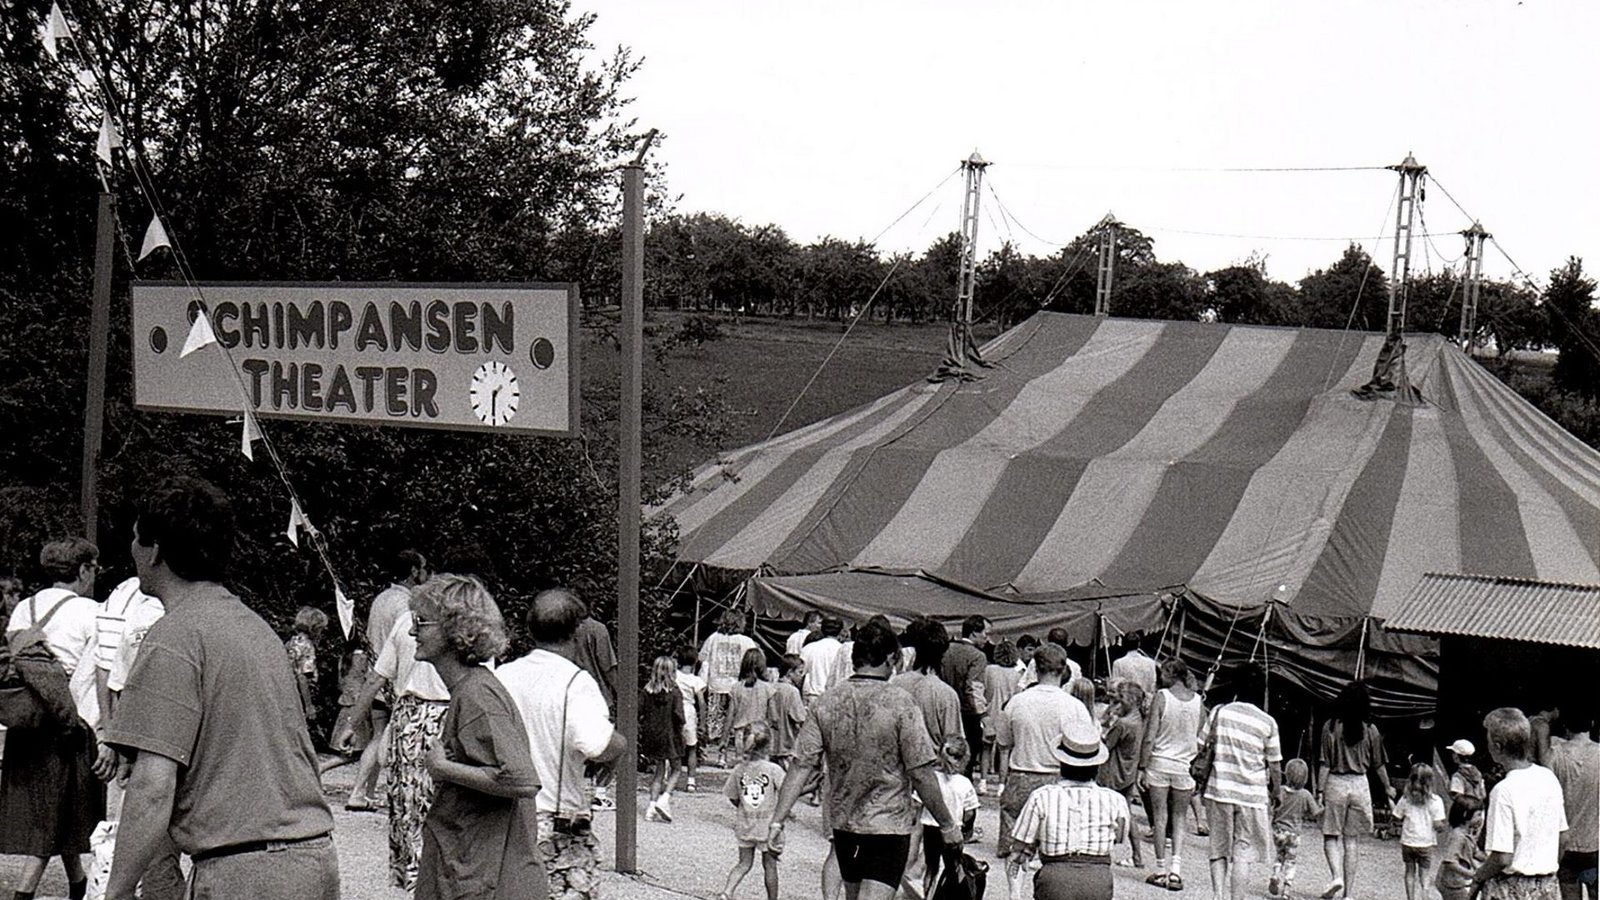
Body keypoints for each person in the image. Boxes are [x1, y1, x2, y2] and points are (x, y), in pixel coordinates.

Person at [106, 476, 337, 900]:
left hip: (245, 871)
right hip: (312, 858)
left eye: (136, 538)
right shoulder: (255, 628)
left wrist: (116, 892)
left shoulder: (174, 635)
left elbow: (152, 789)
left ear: (153, 549)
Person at [767, 620, 963, 900]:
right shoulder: (901, 704)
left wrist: (777, 822)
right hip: (888, 826)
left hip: (845, 825)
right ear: (891, 658)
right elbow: (920, 772)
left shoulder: (826, 702)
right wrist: (947, 824)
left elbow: (801, 765)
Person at [408, 574, 545, 900]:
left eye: (421, 622)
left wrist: (443, 769)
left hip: (489, 880)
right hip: (472, 872)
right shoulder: (470, 690)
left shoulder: (477, 696)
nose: (413, 631)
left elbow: (521, 781)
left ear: (455, 629)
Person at [496, 588, 627, 900]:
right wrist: (618, 748)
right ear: (578, 630)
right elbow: (598, 744)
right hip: (557, 822)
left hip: (505, 817)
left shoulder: (503, 676)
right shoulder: (576, 683)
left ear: (529, 629)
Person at [1, 538, 108, 900]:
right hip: (66, 725)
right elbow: (92, 677)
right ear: (82, 570)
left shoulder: (24, 610)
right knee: (53, 813)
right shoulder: (91, 612)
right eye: (93, 568)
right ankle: (23, 893)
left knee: (57, 808)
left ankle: (77, 881)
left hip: (25, 722)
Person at [333, 597, 452, 887]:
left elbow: (376, 678)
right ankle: (439, 878)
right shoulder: (463, 623)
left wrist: (352, 723)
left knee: (406, 806)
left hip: (407, 717)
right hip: (446, 715)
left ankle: (412, 879)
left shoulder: (406, 620)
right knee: (444, 806)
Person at [995, 643, 1096, 866]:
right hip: (1059, 778)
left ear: (1036, 668)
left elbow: (1004, 743)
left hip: (1021, 775)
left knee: (1013, 847)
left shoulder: (1016, 702)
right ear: (1063, 670)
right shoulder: (1075, 707)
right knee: (1055, 845)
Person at [1008, 719, 1131, 900]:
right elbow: (1119, 840)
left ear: (1061, 761)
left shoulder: (1042, 796)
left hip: (1054, 878)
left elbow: (1017, 853)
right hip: (1098, 880)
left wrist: (1015, 894)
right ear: (1097, 764)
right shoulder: (1115, 800)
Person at [348, 549, 430, 810]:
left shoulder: (381, 598)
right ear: (414, 572)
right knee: (384, 738)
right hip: (394, 679)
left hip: (378, 675)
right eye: (423, 568)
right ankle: (362, 792)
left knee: (378, 735)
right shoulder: (405, 604)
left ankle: (364, 792)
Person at [1198, 665, 1283, 900]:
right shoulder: (1267, 722)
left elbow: (1200, 745)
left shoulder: (1219, 713)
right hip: (1252, 796)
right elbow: (1274, 764)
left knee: (1218, 848)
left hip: (1219, 790)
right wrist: (1277, 792)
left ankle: (1217, 895)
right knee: (1242, 852)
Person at [1470, 707, 1568, 900]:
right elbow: (1563, 837)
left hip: (1510, 886)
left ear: (1497, 747)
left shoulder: (1503, 790)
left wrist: (1478, 878)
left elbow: (1502, 856)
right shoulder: (1549, 778)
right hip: (1547, 885)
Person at [1317, 681, 1395, 900]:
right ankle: (1348, 895)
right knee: (1351, 841)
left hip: (1335, 783)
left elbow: (1324, 763)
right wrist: (1388, 788)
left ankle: (1335, 876)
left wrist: (1319, 791)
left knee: (1331, 835)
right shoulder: (1371, 729)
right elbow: (1379, 765)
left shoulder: (1330, 726)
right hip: (1360, 784)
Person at [1139, 657, 1205, 892]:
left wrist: (1142, 766)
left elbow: (1150, 735)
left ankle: (1159, 869)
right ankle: (1176, 870)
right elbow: (1200, 737)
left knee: (1159, 817)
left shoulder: (1162, 697)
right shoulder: (1198, 702)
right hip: (1183, 766)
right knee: (1179, 818)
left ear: (1169, 673)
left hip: (1159, 762)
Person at [718, 722, 787, 900]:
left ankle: (727, 892)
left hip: (745, 824)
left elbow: (733, 796)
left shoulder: (739, 770)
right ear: (769, 745)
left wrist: (743, 807)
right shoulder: (774, 770)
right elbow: (786, 793)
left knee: (743, 863)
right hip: (767, 826)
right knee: (770, 866)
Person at [1545, 710, 1598, 900]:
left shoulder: (1554, 755)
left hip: (1564, 847)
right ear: (1592, 723)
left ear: (1566, 726)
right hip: (1595, 847)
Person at [920, 736, 980, 897]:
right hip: (953, 830)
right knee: (954, 867)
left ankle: (928, 894)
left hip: (930, 827)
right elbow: (970, 812)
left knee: (931, 867)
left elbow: (918, 804)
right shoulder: (964, 783)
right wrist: (967, 827)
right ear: (965, 758)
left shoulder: (930, 779)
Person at [890, 617, 963, 750]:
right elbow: (954, 744)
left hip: (898, 762)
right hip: (932, 763)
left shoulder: (895, 683)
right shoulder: (946, 694)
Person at [1098, 682, 1147, 870]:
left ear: (1132, 700)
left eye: (1122, 699)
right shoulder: (1140, 720)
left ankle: (1102, 851)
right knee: (1128, 813)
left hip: (1113, 771)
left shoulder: (1122, 724)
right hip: (1129, 770)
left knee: (1105, 812)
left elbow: (1106, 746)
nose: (1118, 702)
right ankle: (1137, 855)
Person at [700, 611, 759, 755]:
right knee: (736, 724)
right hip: (738, 687)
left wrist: (702, 682)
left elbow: (704, 661)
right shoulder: (747, 641)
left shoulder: (713, 638)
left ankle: (719, 754)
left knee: (716, 723)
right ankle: (735, 753)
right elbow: (754, 662)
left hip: (716, 684)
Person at [940, 615, 991, 779]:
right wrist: (983, 716)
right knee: (966, 761)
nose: (987, 639)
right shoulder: (978, 656)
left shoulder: (946, 650)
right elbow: (974, 688)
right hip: (968, 713)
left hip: (945, 709)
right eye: (986, 633)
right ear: (975, 633)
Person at [639, 655, 685, 823]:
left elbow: (639, 711)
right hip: (670, 734)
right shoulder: (675, 691)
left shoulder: (647, 690)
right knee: (676, 768)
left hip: (652, 735)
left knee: (659, 771)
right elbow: (679, 715)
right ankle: (665, 798)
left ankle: (651, 807)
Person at [1269, 758, 1323, 898]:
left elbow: (1272, 805)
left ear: (1286, 774)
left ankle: (1275, 874)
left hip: (1278, 831)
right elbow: (1315, 813)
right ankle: (1286, 889)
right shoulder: (1305, 794)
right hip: (1294, 834)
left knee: (1279, 856)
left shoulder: (1280, 790)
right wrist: (1324, 807)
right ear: (1305, 778)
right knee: (1291, 861)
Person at [1393, 762, 1447, 900]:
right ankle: (1425, 896)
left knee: (1409, 872)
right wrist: (1443, 827)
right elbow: (1438, 824)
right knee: (1425, 873)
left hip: (1408, 841)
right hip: (1426, 843)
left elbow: (1397, 817)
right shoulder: (1436, 801)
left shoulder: (1406, 799)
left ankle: (1410, 898)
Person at [982, 640, 1023, 794]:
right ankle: (1001, 786)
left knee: (986, 748)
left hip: (991, 711)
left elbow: (984, 690)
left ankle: (983, 782)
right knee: (1004, 752)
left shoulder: (989, 670)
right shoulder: (1018, 675)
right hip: (1007, 714)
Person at [725, 648, 773, 764]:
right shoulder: (768, 688)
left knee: (742, 766)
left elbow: (730, 716)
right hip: (761, 733)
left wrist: (724, 738)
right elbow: (772, 715)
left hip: (741, 734)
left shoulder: (736, 688)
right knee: (761, 765)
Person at [286, 607, 329, 732]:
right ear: (314, 629)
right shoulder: (307, 646)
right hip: (301, 692)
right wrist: (309, 705)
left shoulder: (291, 642)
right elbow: (302, 676)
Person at [1437, 799, 1486, 900]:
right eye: (1478, 815)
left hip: (1457, 882)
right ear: (1465, 815)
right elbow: (1450, 861)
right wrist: (1472, 874)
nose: (1481, 819)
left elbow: (1475, 852)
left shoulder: (1467, 835)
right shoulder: (1458, 836)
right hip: (1452, 884)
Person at [673, 645, 707, 792]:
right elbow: (702, 702)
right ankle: (691, 780)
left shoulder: (674, 676)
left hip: (674, 710)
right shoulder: (696, 680)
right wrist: (703, 723)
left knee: (674, 747)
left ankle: (670, 777)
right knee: (691, 748)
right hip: (689, 711)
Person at [766, 655, 806, 768]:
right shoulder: (792, 692)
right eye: (799, 672)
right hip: (786, 746)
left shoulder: (770, 688)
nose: (801, 676)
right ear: (789, 673)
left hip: (769, 745)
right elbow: (800, 718)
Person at [798, 615, 845, 703]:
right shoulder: (845, 651)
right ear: (841, 631)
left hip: (812, 698)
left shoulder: (809, 648)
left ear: (821, 629)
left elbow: (799, 675)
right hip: (836, 699)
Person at [1110, 637, 1158, 702]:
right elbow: (1153, 685)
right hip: (1146, 701)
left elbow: (1115, 687)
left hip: (1127, 703)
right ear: (1139, 644)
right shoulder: (1151, 663)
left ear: (1123, 645)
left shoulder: (1118, 663)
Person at [1447, 738, 1488, 807]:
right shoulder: (1478, 773)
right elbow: (1483, 794)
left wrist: (1448, 790)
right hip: (1478, 813)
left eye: (1453, 753)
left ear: (1456, 756)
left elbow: (1457, 798)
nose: (1452, 755)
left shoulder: (1458, 776)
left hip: (1464, 814)